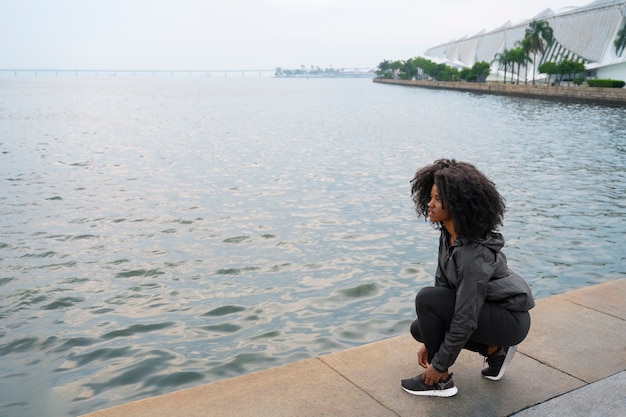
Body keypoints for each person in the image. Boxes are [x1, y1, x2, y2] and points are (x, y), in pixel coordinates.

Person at [401, 159, 535, 397]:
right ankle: (495, 351)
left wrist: (439, 364)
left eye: (438, 199)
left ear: (458, 205)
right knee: (420, 328)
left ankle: (441, 382)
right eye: (430, 197)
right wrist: (431, 344)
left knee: (425, 299)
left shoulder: (473, 255)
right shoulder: (449, 235)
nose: (429, 204)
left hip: (508, 319)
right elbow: (443, 289)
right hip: (489, 312)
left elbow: (465, 317)